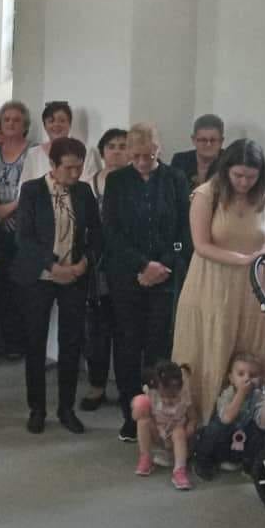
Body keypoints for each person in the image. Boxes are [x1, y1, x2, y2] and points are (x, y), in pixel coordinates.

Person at [170, 138, 265, 426]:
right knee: (211, 351)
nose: (243, 182)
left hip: (255, 291)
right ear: (226, 170)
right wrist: (246, 259)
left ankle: (250, 428)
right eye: (238, 175)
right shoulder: (207, 194)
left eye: (251, 177)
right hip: (212, 284)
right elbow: (201, 245)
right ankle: (203, 428)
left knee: (252, 353)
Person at [104, 123, 193, 439]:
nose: (143, 162)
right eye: (137, 156)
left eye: (149, 156)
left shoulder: (175, 179)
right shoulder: (116, 181)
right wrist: (142, 266)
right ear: (129, 152)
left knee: (158, 346)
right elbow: (111, 233)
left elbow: (184, 234)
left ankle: (159, 412)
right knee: (128, 345)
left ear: (159, 149)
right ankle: (132, 414)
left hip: (165, 276)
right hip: (127, 275)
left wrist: (164, 264)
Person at [12, 136, 102, 434]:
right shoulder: (32, 190)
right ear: (52, 164)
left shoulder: (84, 191)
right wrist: (53, 267)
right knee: (35, 342)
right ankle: (37, 408)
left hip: (74, 275)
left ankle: (66, 408)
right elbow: (24, 237)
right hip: (40, 276)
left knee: (71, 342)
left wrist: (83, 263)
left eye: (79, 168)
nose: (75, 174)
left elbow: (96, 235)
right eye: (68, 168)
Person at [0, 100, 34, 356]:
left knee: (21, 285)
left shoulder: (33, 152)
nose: (10, 124)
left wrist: (8, 209)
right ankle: (3, 341)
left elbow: (35, 186)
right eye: (6, 119)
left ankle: (22, 342)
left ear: (25, 124)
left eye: (16, 120)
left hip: (23, 227)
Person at [80, 127, 129, 412]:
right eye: (112, 146)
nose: (117, 151)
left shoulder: (137, 183)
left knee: (125, 329)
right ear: (102, 152)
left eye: (123, 146)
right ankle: (96, 386)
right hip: (96, 267)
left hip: (127, 267)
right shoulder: (89, 184)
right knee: (96, 330)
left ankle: (126, 387)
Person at [192, 351, 265, 479]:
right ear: (231, 378)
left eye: (253, 375)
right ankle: (203, 462)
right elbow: (226, 418)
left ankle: (251, 465)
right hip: (222, 444)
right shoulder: (228, 393)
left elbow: (264, 425)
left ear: (260, 379)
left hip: (241, 446)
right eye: (241, 374)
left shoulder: (257, 396)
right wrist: (241, 393)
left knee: (260, 433)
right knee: (214, 428)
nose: (247, 378)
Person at [130, 360, 196, 488]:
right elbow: (136, 417)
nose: (168, 400)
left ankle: (179, 470)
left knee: (179, 432)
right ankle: (145, 457)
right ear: (156, 387)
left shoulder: (184, 396)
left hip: (176, 439)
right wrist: (139, 408)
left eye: (173, 396)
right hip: (158, 434)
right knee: (143, 422)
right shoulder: (151, 394)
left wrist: (189, 429)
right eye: (165, 396)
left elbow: (193, 418)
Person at [169, 113, 224, 190]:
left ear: (221, 141)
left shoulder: (229, 162)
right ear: (193, 140)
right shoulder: (180, 160)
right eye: (203, 140)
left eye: (213, 140)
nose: (208, 144)